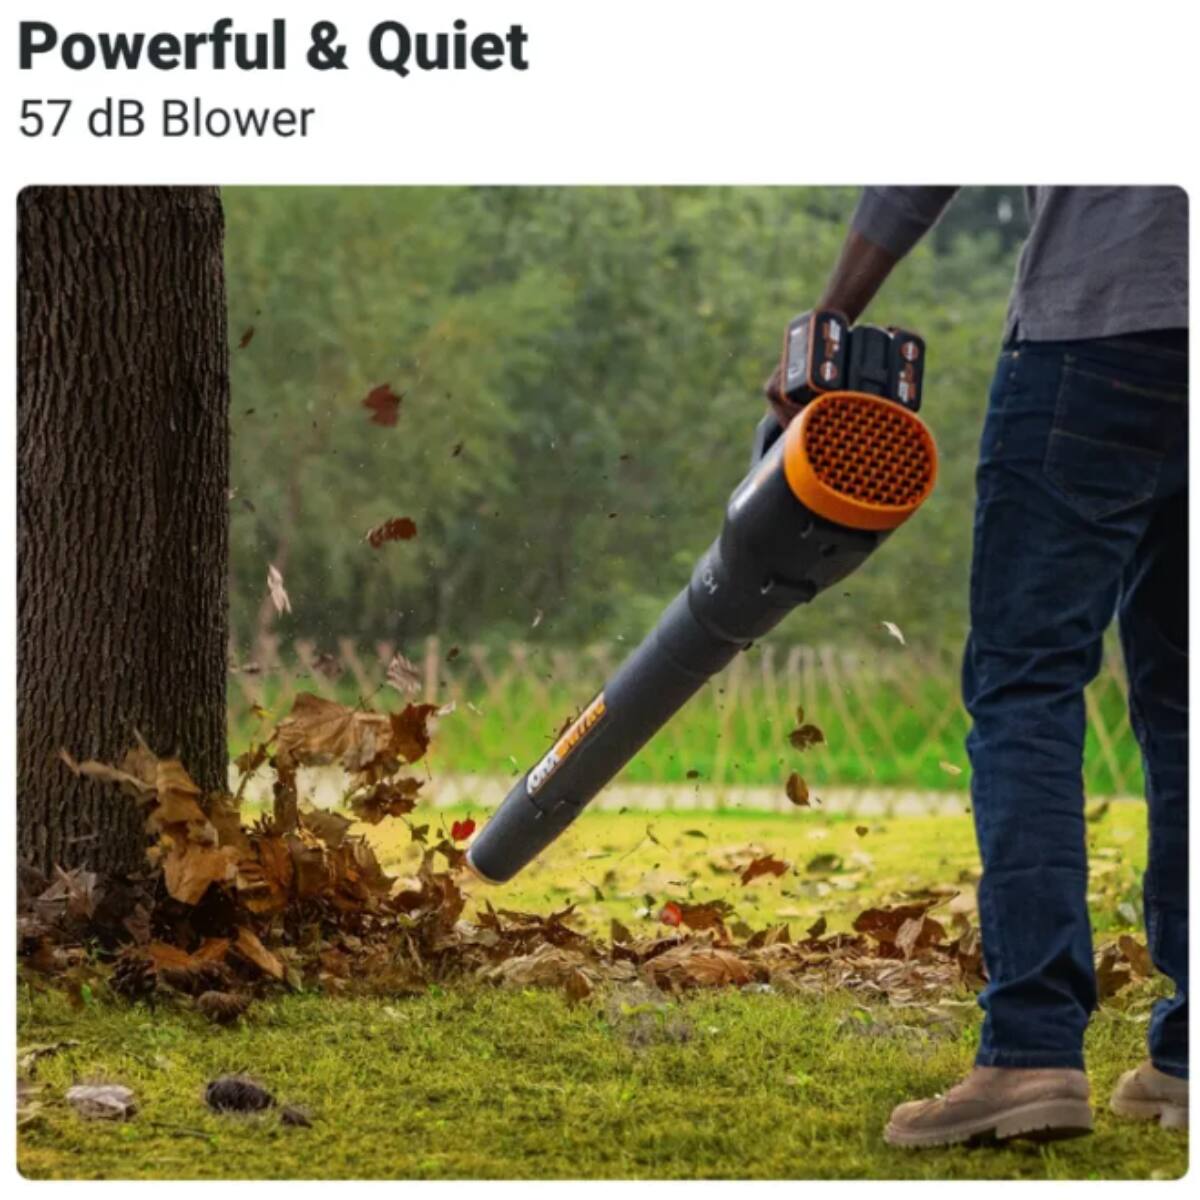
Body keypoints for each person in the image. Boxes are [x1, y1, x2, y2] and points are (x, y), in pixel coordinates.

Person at [767, 186, 1188, 1148]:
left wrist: (835, 311)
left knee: (1027, 682)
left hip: (1100, 330)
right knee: (1184, 695)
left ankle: (1031, 1049)